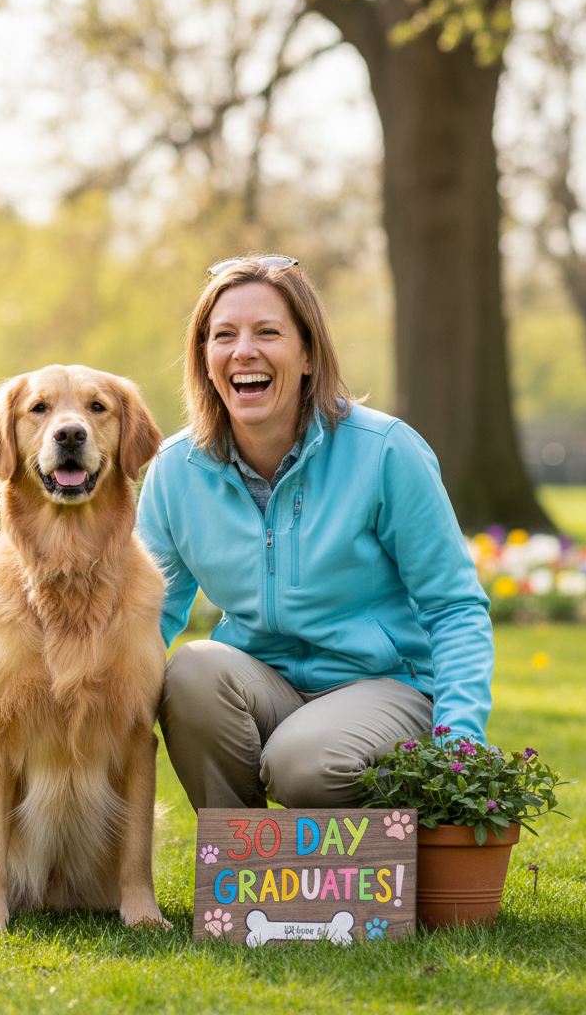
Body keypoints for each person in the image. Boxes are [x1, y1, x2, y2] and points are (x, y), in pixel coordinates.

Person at [135, 255, 493, 812]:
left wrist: (460, 743)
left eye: (267, 332)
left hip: (386, 686)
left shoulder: (384, 451)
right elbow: (145, 616)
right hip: (264, 687)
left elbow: (454, 607)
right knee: (191, 670)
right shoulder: (175, 470)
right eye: (223, 335)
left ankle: (386, 835)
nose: (243, 351)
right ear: (205, 359)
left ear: (308, 355)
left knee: (302, 763)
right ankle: (238, 853)